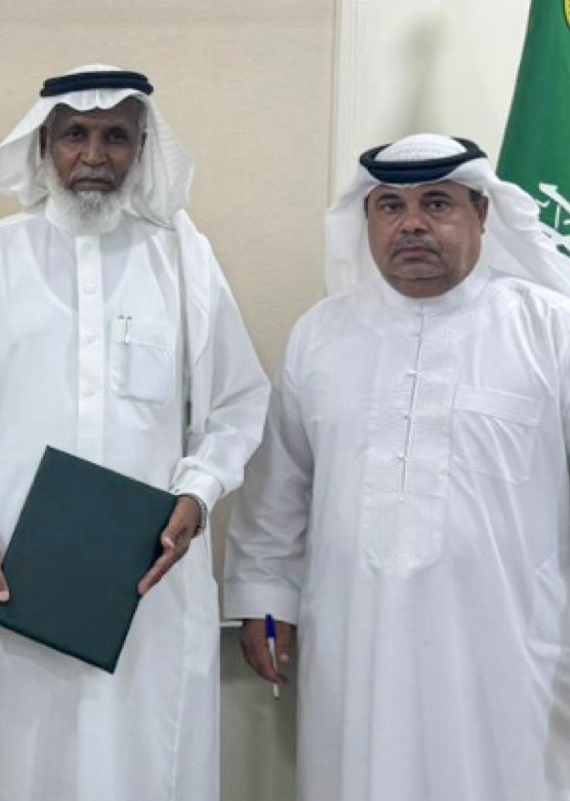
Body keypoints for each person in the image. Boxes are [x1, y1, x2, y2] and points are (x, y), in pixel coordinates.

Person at [0, 65, 269, 801]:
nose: (94, 155)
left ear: (142, 148)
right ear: (43, 144)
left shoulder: (184, 260)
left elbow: (239, 402)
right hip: (9, 574)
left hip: (148, 581)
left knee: (144, 765)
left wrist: (200, 491)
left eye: (116, 137)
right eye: (75, 134)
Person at [225, 133, 570, 801]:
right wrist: (263, 607)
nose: (411, 223)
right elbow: (278, 494)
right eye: (390, 206)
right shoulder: (320, 335)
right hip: (357, 643)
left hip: (512, 648)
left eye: (436, 203)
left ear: (481, 212)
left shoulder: (551, 331)